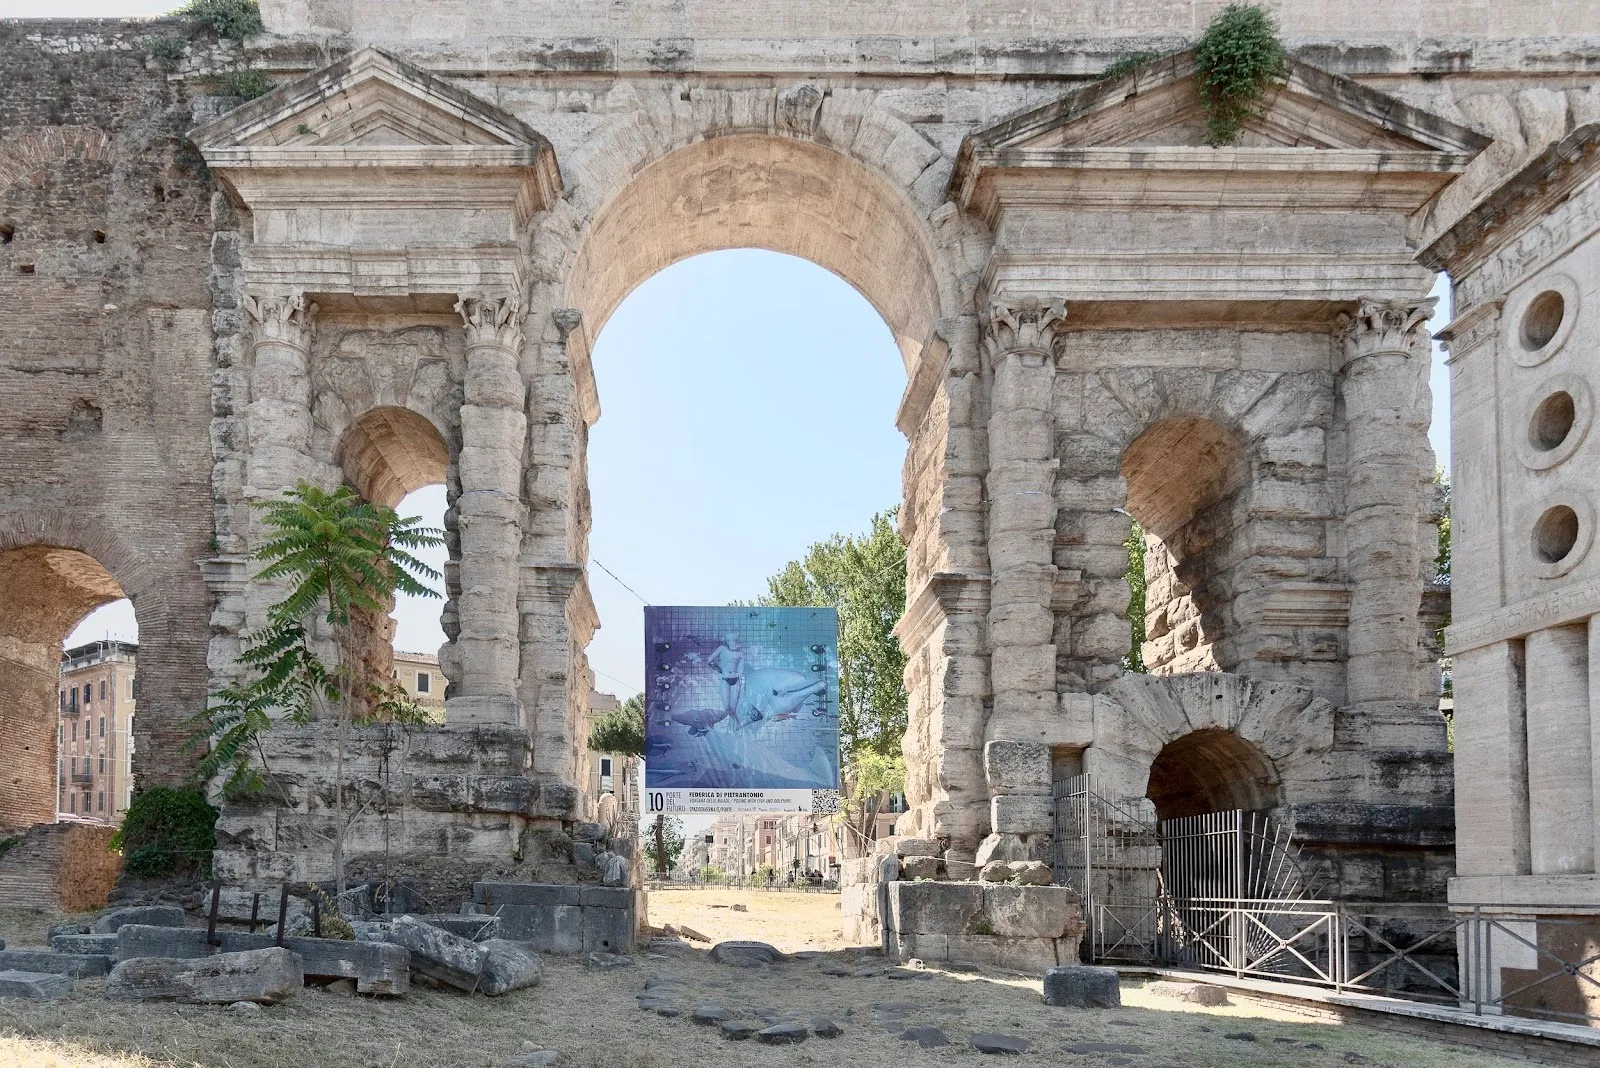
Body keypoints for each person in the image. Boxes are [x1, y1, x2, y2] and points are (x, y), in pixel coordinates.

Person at [707, 633, 746, 717]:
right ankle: (733, 720)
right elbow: (709, 660)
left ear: (736, 641)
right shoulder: (722, 649)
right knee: (727, 706)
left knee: (733, 707)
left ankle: (734, 724)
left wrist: (742, 680)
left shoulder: (740, 654)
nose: (732, 642)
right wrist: (720, 670)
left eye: (734, 640)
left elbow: (741, 670)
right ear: (727, 641)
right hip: (725, 679)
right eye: (730, 640)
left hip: (736, 680)